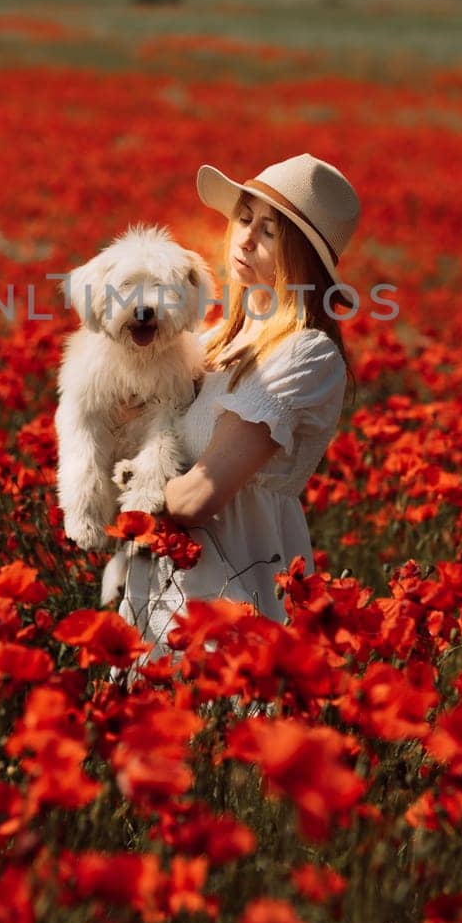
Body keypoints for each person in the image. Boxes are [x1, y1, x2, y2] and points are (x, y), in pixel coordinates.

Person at [111, 152, 360, 679]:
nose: (244, 239)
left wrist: (127, 491)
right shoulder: (214, 340)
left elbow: (198, 498)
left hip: (234, 594)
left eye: (269, 231)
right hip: (163, 590)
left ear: (305, 259)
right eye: (244, 218)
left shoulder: (306, 353)